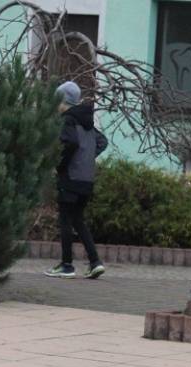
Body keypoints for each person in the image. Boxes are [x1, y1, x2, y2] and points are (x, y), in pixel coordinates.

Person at [45, 80, 108, 280]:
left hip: (70, 178)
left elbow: (70, 143)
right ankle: (95, 262)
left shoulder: (68, 119)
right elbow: (101, 142)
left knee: (65, 220)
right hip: (86, 179)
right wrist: (86, 159)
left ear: (64, 101)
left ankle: (66, 265)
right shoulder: (87, 121)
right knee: (78, 220)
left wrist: (59, 165)